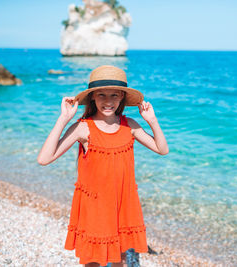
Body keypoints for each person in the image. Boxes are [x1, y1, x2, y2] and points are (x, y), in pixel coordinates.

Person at [37, 65, 169, 267]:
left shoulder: (130, 125)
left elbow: (162, 149)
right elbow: (44, 158)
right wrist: (63, 119)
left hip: (123, 202)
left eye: (114, 95)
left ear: (122, 98)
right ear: (92, 98)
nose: (108, 101)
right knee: (93, 259)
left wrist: (152, 121)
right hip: (95, 205)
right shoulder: (83, 127)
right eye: (102, 95)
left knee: (120, 257)